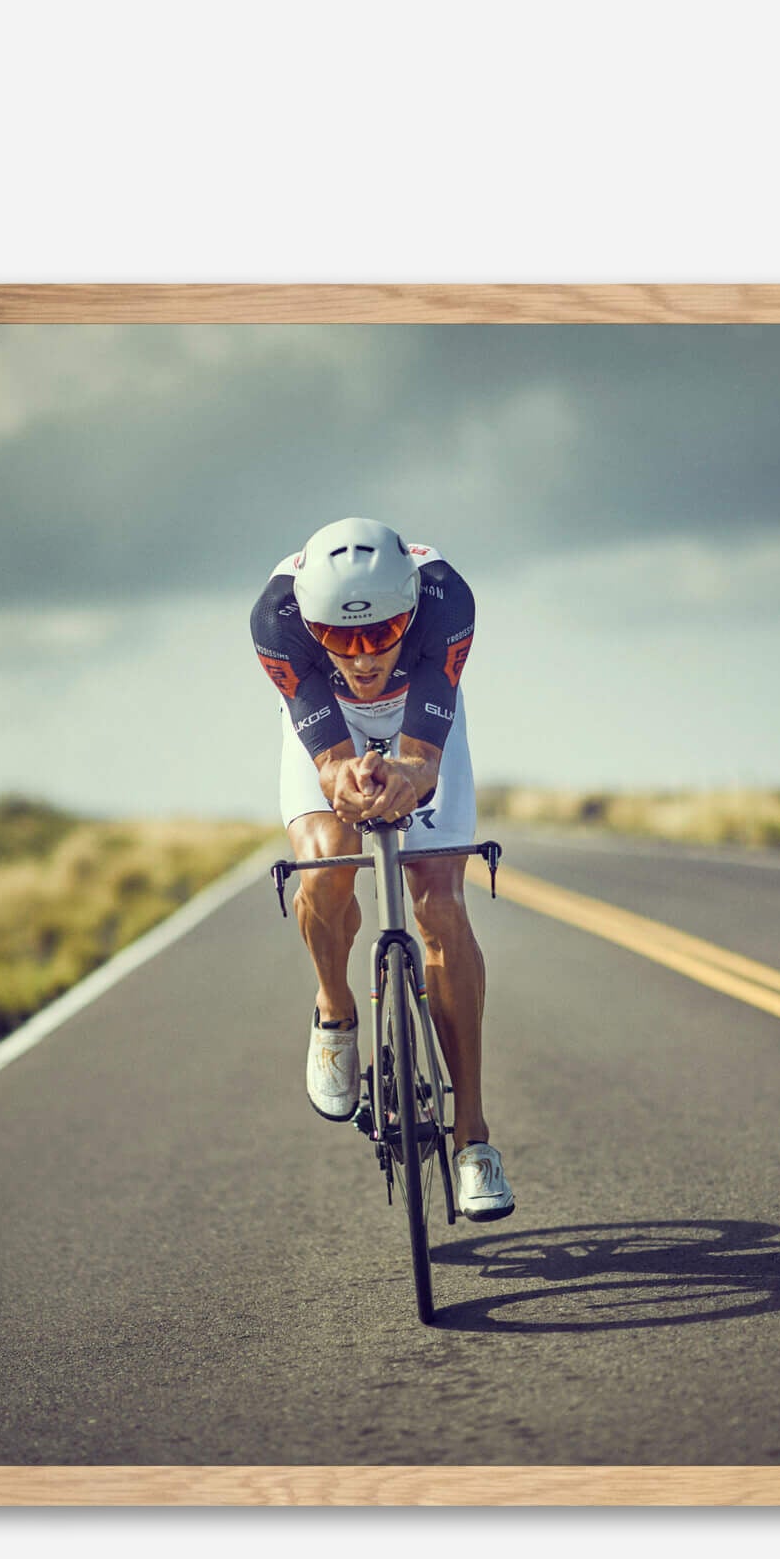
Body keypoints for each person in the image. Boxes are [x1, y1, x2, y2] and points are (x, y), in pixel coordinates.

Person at [249, 516, 514, 1222]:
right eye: (339, 638)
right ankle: (335, 1008)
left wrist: (406, 770)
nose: (362, 657)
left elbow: (425, 760)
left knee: (439, 903)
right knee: (324, 871)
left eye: (380, 634)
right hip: (329, 723)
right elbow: (332, 768)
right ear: (312, 626)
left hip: (419, 726)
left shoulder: (446, 600)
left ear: (411, 610)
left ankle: (473, 1139)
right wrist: (350, 778)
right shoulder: (276, 620)